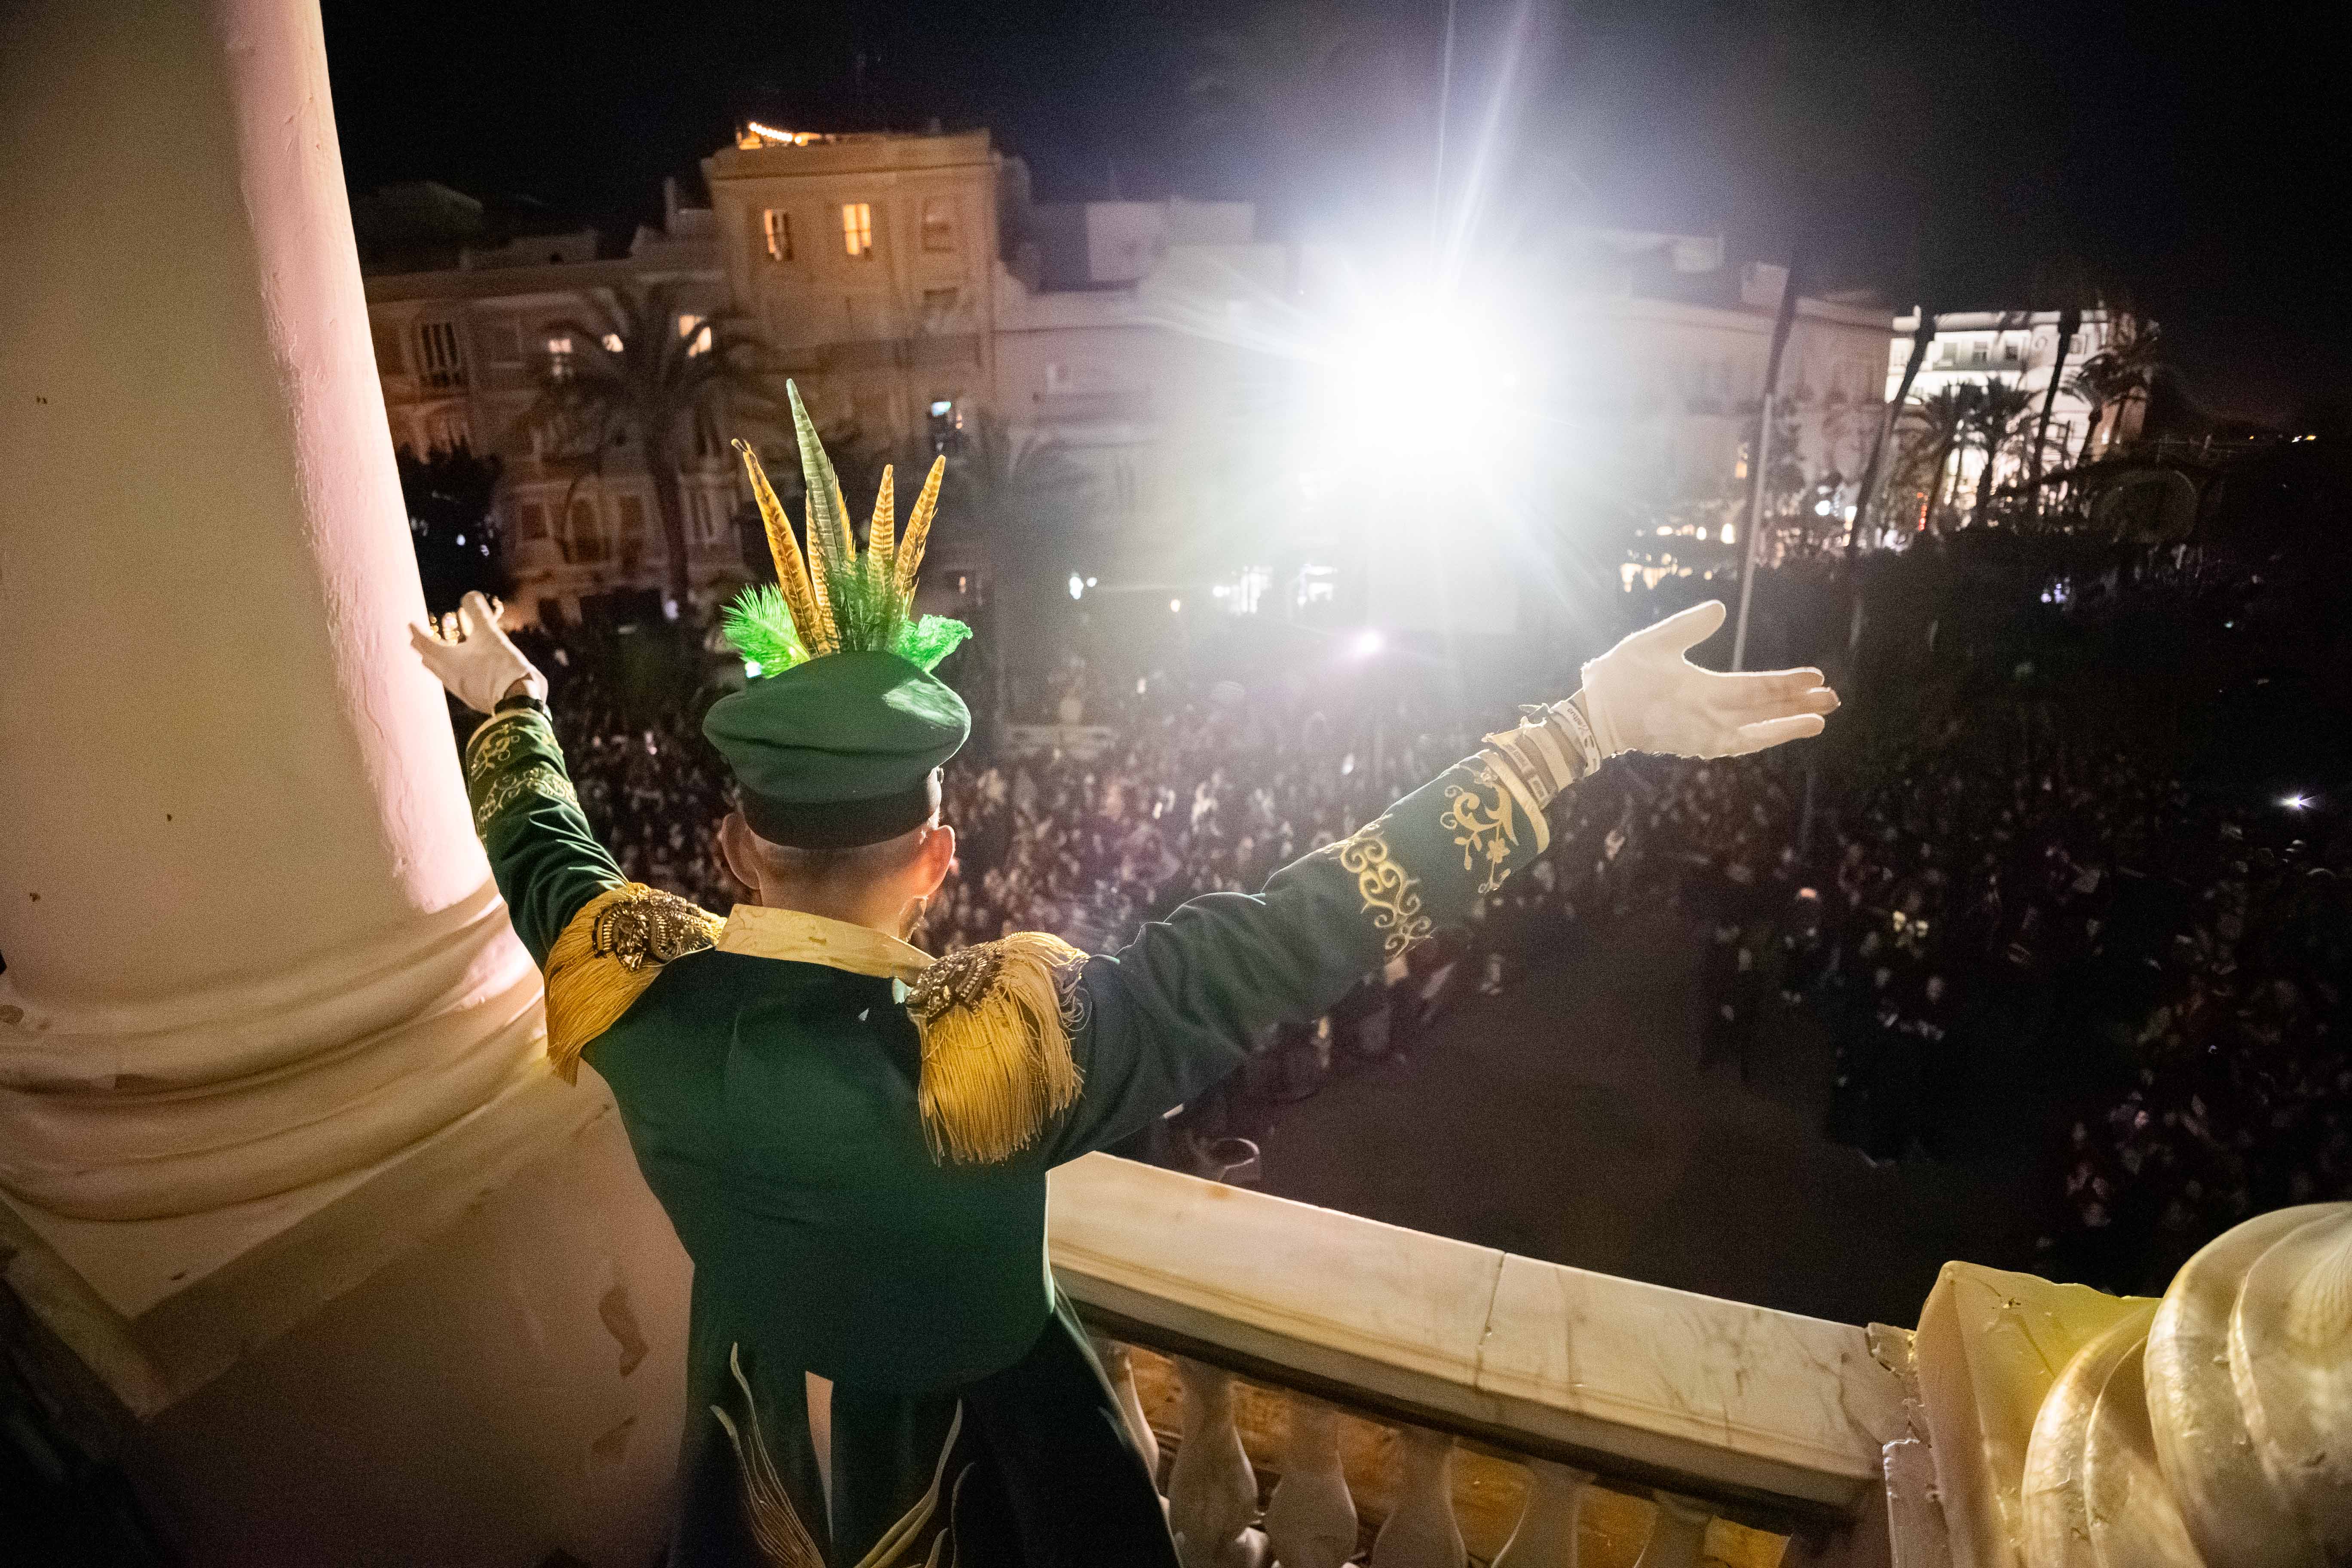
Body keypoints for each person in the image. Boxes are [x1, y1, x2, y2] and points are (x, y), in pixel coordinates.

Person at [411, 383, 1838, 1568]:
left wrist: (512, 709)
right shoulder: (1010, 1049)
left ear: (732, 840)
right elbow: (1311, 922)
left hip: (757, 1430)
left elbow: (549, 859)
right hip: (1003, 1473)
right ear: (938, 854)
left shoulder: (635, 991)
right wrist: (1575, 733)